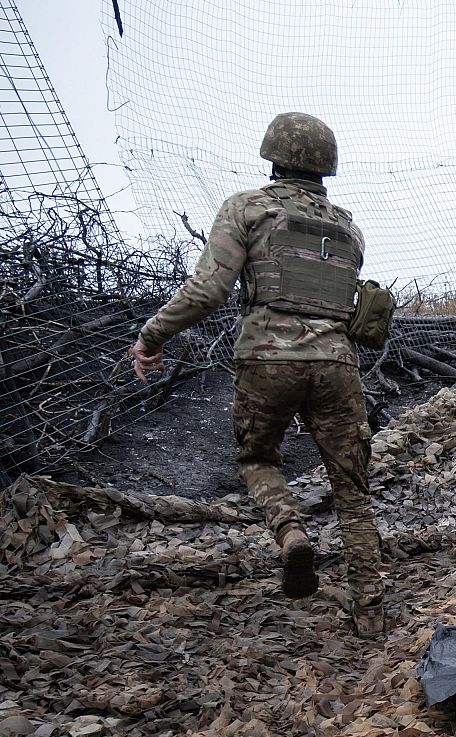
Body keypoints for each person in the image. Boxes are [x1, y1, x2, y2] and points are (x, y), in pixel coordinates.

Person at [128, 112, 385, 636]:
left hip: (266, 361)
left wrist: (152, 336)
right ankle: (371, 612)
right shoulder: (349, 227)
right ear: (326, 166)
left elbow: (208, 291)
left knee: (258, 458)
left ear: (273, 156)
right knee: (352, 487)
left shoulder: (246, 208)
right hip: (337, 365)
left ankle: (291, 535)